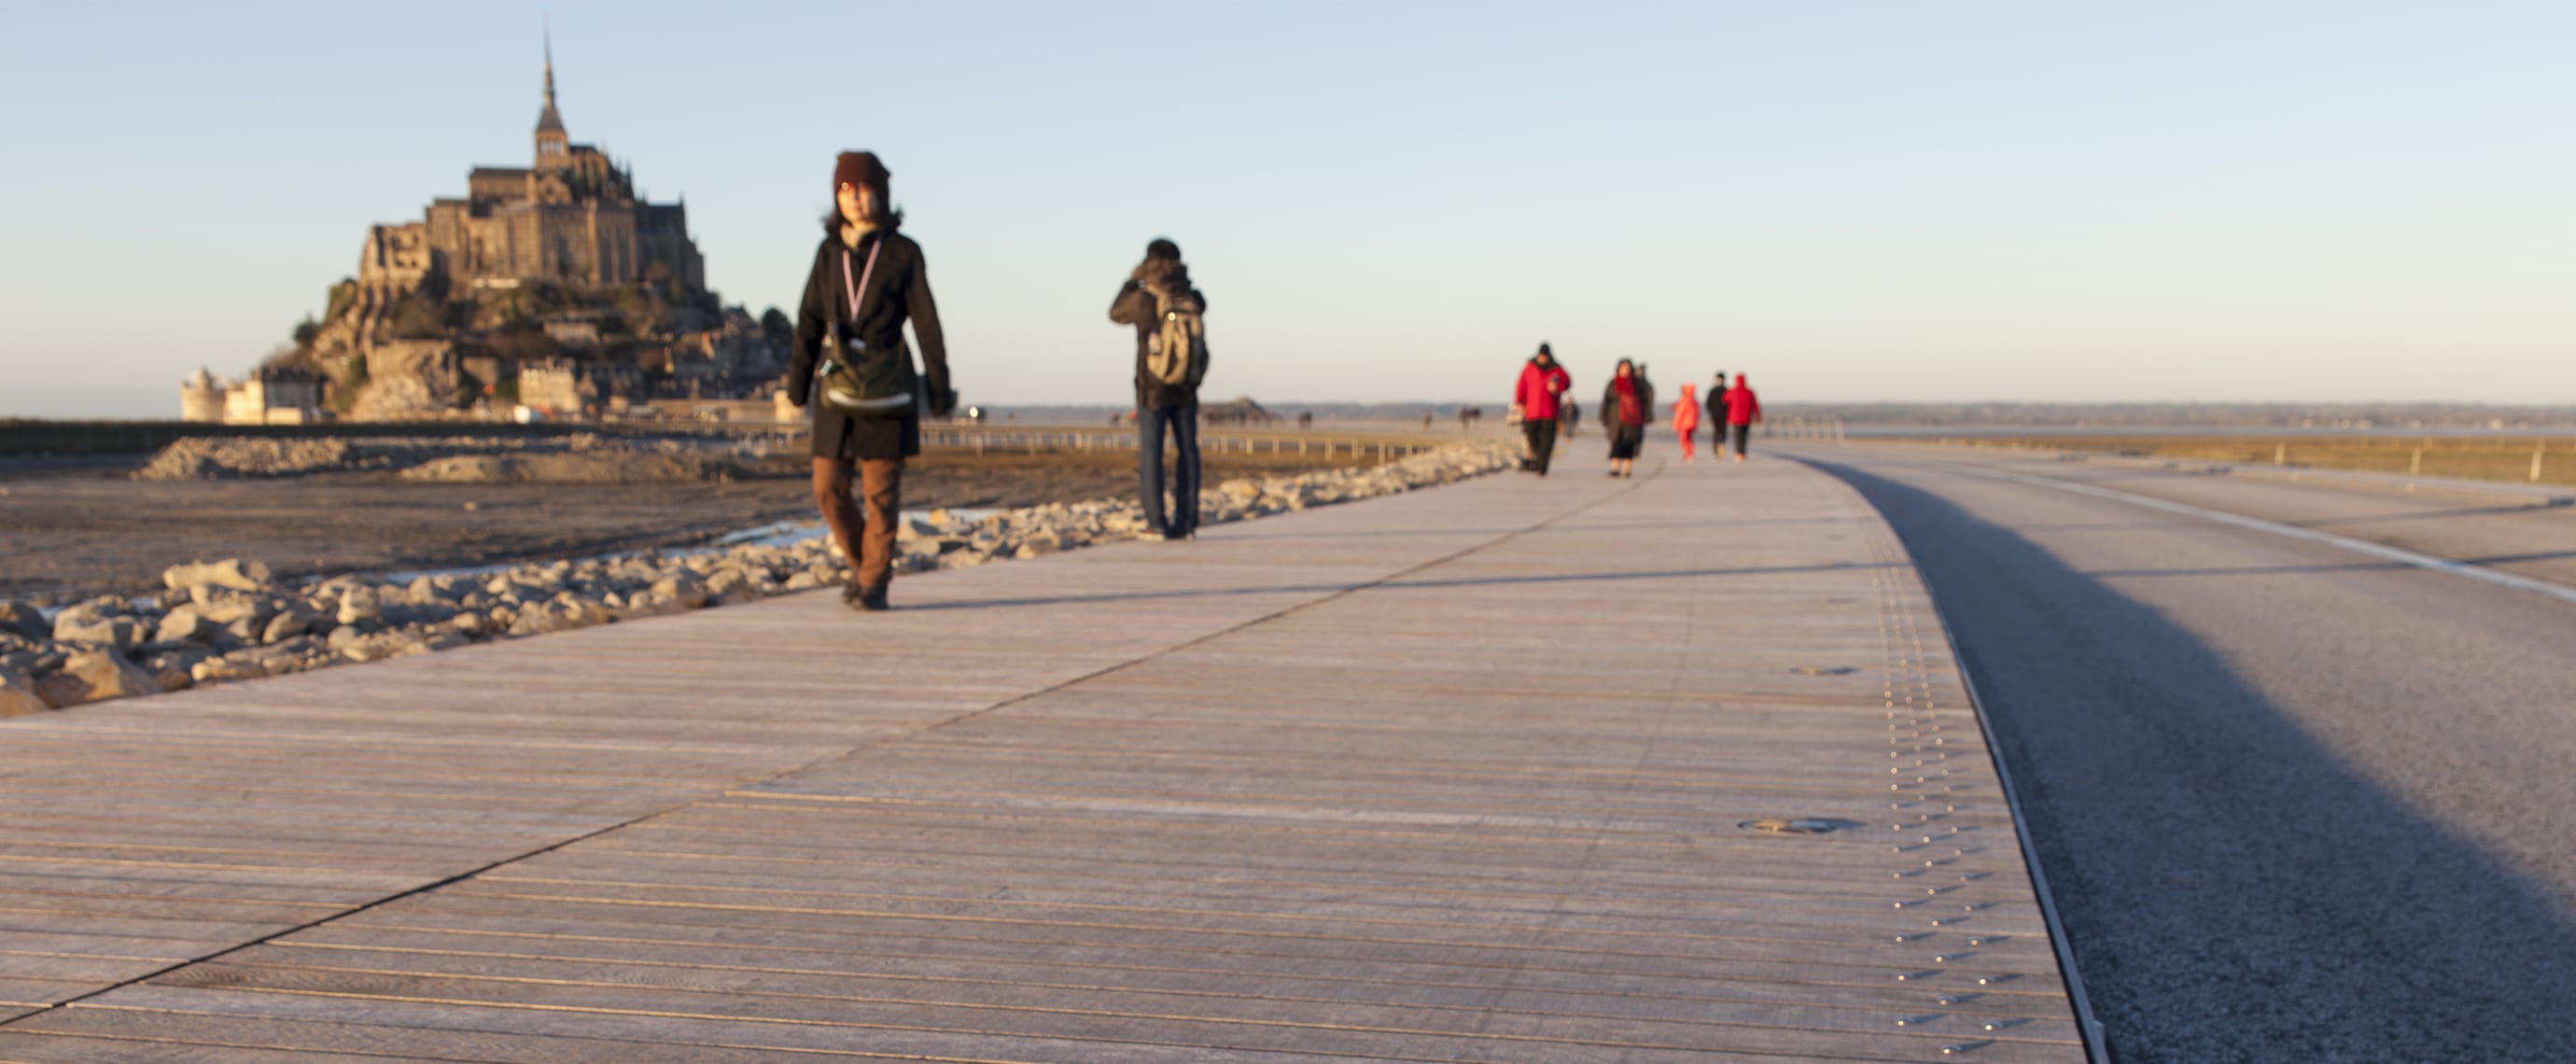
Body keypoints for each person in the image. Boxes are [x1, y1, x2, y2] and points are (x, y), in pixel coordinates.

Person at [789, 150, 954, 613]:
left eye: (864, 190)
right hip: (836, 384)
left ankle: (874, 583)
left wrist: (939, 388)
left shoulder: (904, 252)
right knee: (826, 488)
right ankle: (864, 565)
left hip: (886, 387)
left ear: (881, 195)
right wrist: (796, 383)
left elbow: (927, 324)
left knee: (881, 494)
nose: (856, 199)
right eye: (846, 190)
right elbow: (808, 318)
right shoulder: (828, 253)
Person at [1109, 238, 1209, 540]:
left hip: (1152, 389)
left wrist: (1131, 280)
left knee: (1152, 454)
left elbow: (1115, 313)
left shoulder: (1145, 297)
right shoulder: (1190, 295)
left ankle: (1156, 523)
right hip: (1187, 387)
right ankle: (1187, 522)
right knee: (1188, 453)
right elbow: (1202, 307)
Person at [1511, 343, 1571, 475]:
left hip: (1550, 411)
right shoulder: (1529, 368)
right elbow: (1521, 385)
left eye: (1545, 356)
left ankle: (1542, 467)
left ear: (1549, 356)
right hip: (1532, 411)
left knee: (1547, 440)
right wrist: (1519, 402)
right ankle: (1539, 460)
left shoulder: (1557, 370)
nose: (1542, 358)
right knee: (1532, 438)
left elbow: (1568, 382)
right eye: (1541, 356)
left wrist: (1558, 387)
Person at [1601, 358, 1649, 477]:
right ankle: (1615, 468)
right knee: (1616, 443)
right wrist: (1604, 416)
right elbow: (1606, 400)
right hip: (1615, 418)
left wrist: (1646, 416)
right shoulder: (1613, 383)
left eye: (1628, 368)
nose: (1625, 371)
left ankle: (1627, 470)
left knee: (1630, 444)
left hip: (1633, 419)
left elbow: (1646, 400)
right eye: (1623, 368)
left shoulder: (1638, 383)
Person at [1724, 371, 1763, 462]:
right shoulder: (1749, 392)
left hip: (1735, 418)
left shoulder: (1733, 391)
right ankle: (1742, 452)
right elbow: (1755, 405)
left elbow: (1725, 399)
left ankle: (1738, 453)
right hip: (1746, 418)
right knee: (1744, 436)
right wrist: (1758, 417)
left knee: (1738, 436)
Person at [1673, 382, 1700, 461]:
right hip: (1692, 423)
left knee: (1684, 439)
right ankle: (1689, 454)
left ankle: (1688, 454)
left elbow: (1680, 413)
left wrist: (1676, 424)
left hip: (1685, 424)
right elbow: (1697, 413)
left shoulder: (1684, 400)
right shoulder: (1694, 401)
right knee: (1689, 439)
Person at [1706, 371, 1729, 457]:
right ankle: (1715, 451)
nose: (1719, 380)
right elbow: (1708, 403)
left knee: (1723, 433)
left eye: (1720, 379)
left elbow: (1730, 404)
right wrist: (1711, 413)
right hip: (1715, 415)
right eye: (1718, 379)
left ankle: (1721, 447)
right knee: (1716, 433)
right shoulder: (1713, 391)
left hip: (1724, 415)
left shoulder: (1726, 390)